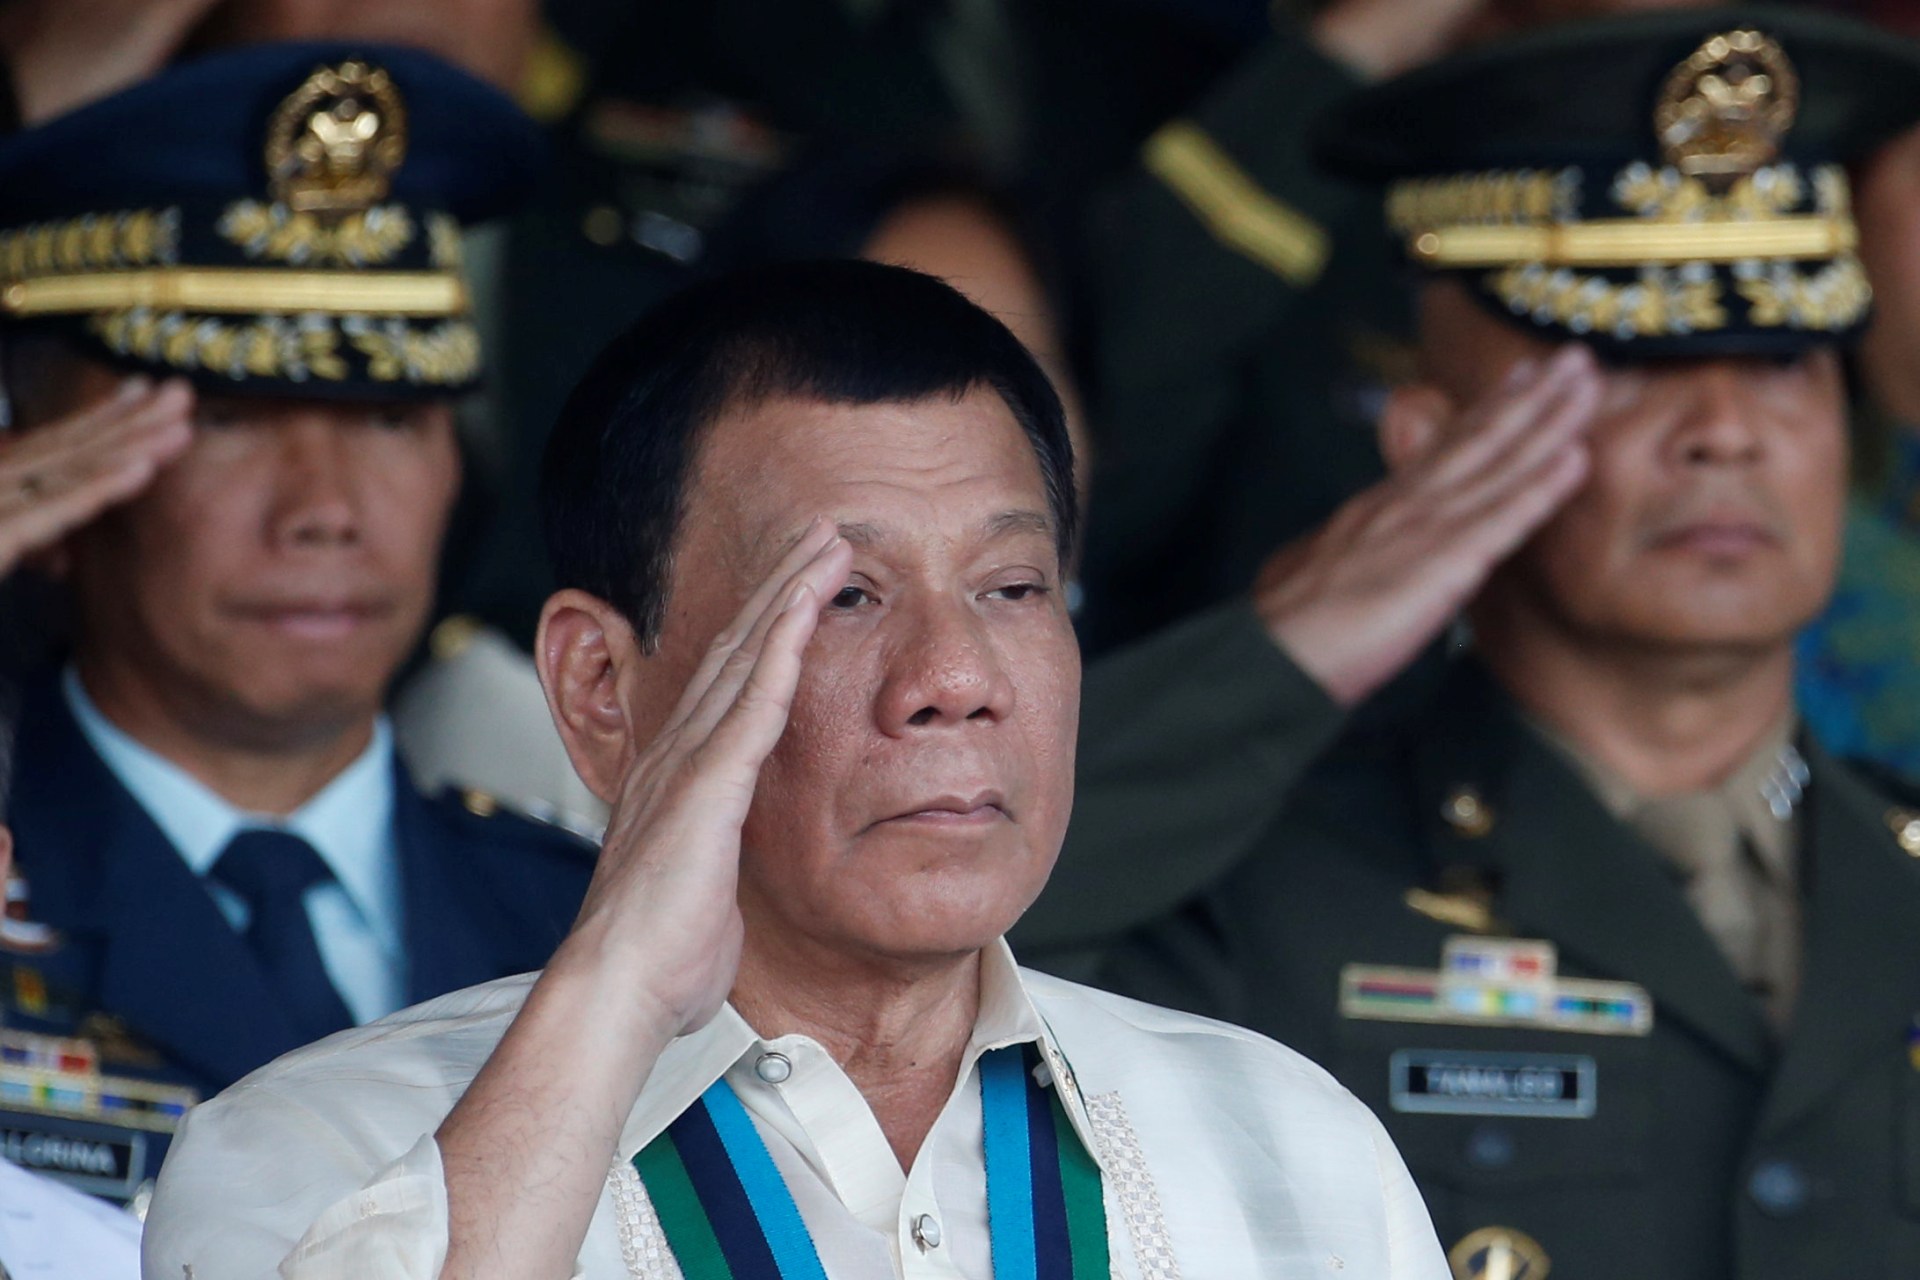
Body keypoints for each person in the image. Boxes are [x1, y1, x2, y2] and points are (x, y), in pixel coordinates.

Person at [141, 259, 1450, 1280]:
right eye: (843, 596)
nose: (956, 674)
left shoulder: (1287, 1146)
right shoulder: (323, 1149)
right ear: (603, 687)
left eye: (1010, 585)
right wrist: (617, 984)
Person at [1016, 10, 1920, 1277]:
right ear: (1431, 441)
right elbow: (894, 956)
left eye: (1780, 356)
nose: (1726, 430)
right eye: (1626, 357)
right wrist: (1289, 652)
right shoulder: (1248, 881)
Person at [0, 42, 594, 1142]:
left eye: (390, 419)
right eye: (226, 418)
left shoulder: (590, 924)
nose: (326, 508)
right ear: (45, 468)